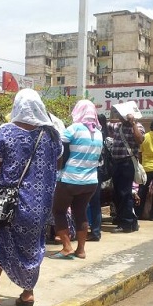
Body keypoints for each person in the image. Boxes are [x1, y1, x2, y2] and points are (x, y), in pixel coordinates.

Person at [0, 88, 63, 306]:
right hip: (40, 206)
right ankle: (27, 294)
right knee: (33, 246)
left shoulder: (5, 132)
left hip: (11, 203)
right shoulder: (52, 135)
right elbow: (57, 164)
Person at [49, 100, 102, 259]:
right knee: (80, 213)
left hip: (69, 180)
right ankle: (81, 250)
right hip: (91, 181)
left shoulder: (72, 130)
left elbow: (61, 155)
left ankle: (66, 247)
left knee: (58, 211)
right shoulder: (98, 133)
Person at [107, 101, 145, 233]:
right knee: (118, 193)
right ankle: (130, 222)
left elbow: (140, 140)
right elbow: (105, 124)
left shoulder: (138, 126)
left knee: (125, 193)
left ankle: (127, 224)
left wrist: (133, 123)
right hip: (117, 163)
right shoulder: (118, 126)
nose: (120, 117)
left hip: (127, 163)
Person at [87, 113, 111, 242]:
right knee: (95, 202)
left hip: (85, 171)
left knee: (83, 202)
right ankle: (96, 231)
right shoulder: (102, 134)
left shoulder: (87, 133)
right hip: (98, 171)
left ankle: (83, 231)